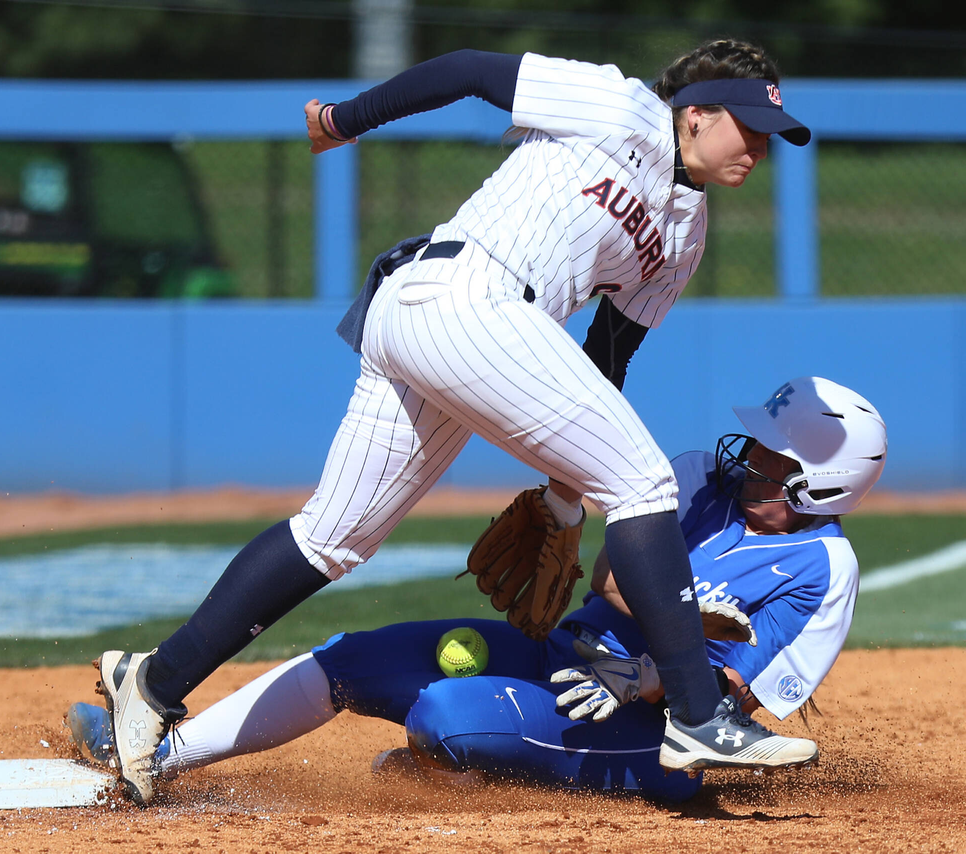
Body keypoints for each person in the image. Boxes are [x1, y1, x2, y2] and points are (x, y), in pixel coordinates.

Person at [93, 39, 815, 804]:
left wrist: (566, 498)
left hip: (468, 329)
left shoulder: (685, 236)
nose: (759, 149)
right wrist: (346, 118)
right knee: (642, 482)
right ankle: (700, 713)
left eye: (772, 139)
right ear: (696, 116)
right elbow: (470, 69)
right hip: (462, 291)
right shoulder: (621, 105)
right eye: (748, 128)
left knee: (333, 538)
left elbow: (605, 357)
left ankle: (153, 682)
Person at [73, 377, 886, 803]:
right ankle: (158, 752)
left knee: (445, 714)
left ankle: (446, 768)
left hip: (650, 737)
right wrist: (676, 613)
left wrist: (650, 676)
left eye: (776, 462)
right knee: (350, 659)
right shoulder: (704, 477)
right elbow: (611, 574)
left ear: (823, 487)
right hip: (567, 654)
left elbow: (743, 699)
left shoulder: (826, 570)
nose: (749, 461)